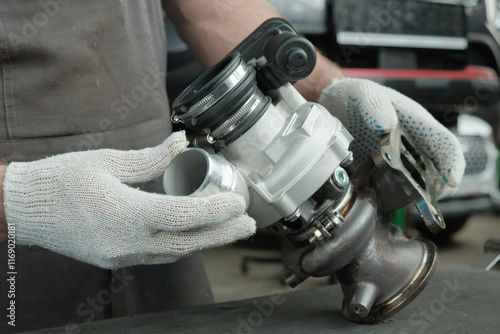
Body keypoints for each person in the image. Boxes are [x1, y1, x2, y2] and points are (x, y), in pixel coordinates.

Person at [0, 0, 464, 332]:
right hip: (22, 255)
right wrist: (19, 200)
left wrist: (325, 88)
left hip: (161, 216)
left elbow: (205, 6)